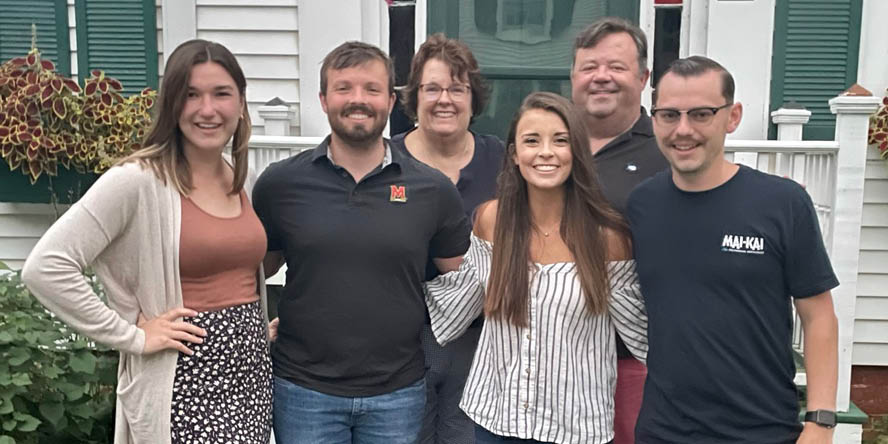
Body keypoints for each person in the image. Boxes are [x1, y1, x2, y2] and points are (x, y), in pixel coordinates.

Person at [21, 39, 272, 444]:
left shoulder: (240, 179)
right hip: (183, 386)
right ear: (171, 105)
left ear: (241, 103)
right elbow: (46, 267)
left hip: (250, 383)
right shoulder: (137, 181)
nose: (207, 109)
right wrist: (133, 336)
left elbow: (237, 270)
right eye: (190, 95)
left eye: (221, 94)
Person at [252, 41, 470, 444]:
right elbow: (249, 273)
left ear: (391, 100)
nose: (358, 100)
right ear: (323, 99)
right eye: (344, 88)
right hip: (303, 390)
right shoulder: (280, 184)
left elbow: (464, 283)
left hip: (398, 392)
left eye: (371, 89)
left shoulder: (432, 190)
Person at [627, 56, 839, 443]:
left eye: (702, 114)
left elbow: (819, 316)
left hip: (763, 430)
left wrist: (821, 422)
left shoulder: (783, 203)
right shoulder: (641, 206)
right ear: (654, 118)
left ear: (733, 116)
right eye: (669, 115)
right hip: (663, 431)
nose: (683, 130)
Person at [425, 92, 647, 444]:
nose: (546, 152)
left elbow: (645, 336)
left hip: (575, 427)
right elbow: (456, 303)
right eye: (532, 140)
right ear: (514, 154)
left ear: (577, 151)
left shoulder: (608, 238)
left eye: (560, 141)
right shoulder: (492, 220)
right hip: (495, 417)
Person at [391, 33, 505, 444]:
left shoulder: (503, 161)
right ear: (413, 96)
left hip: (480, 340)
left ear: (474, 99)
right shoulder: (385, 162)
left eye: (458, 89)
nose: (445, 99)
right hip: (398, 341)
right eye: (433, 88)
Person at [569, 17, 669, 444]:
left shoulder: (669, 152)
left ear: (644, 77)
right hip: (550, 358)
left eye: (616, 66)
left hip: (631, 360)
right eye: (589, 67)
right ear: (573, 77)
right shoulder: (548, 143)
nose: (601, 77)